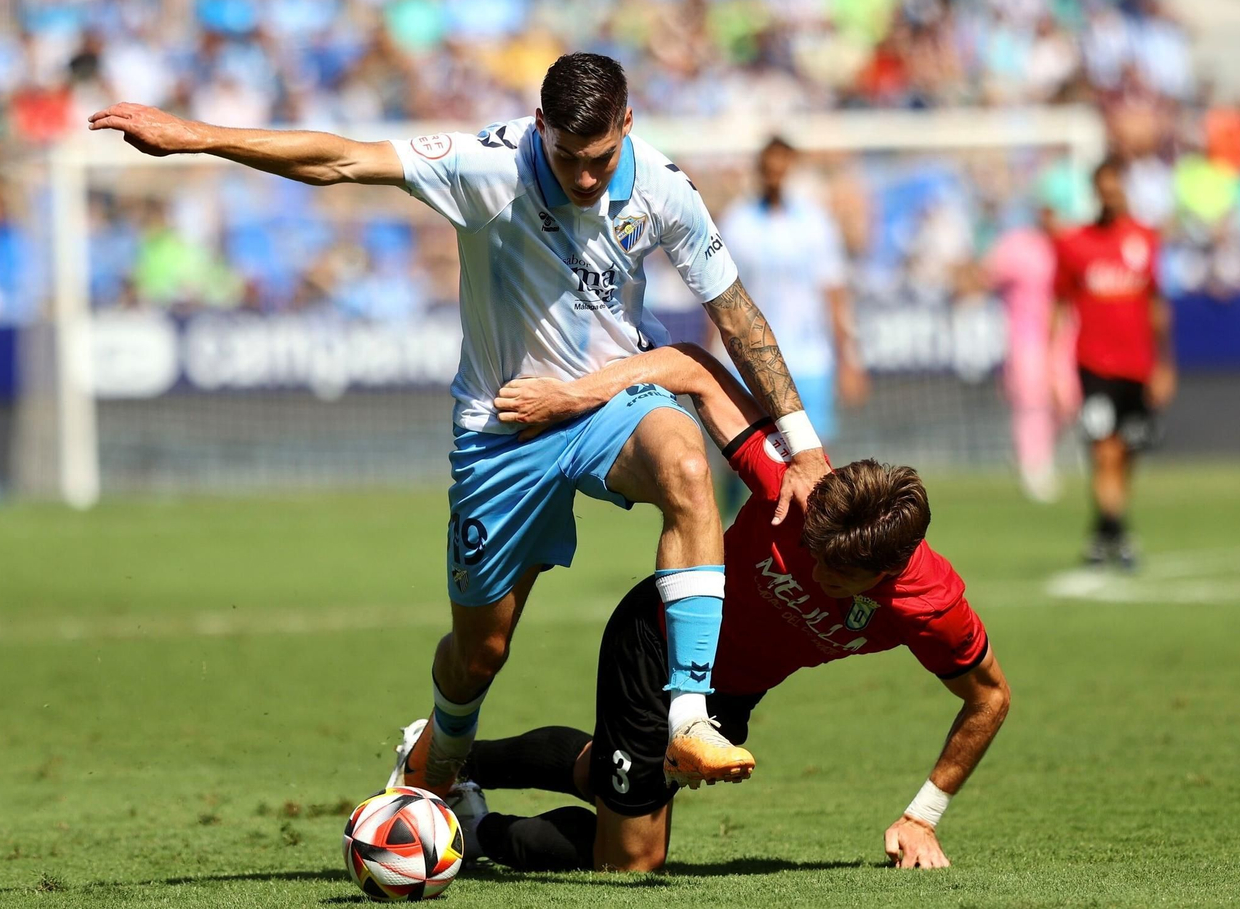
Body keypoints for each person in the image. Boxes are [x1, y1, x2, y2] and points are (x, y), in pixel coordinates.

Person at [87, 53, 831, 796]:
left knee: (686, 465)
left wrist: (803, 449)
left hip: (609, 402)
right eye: (567, 158)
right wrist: (196, 136)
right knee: (482, 654)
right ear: (540, 127)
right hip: (502, 428)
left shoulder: (665, 189)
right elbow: (341, 159)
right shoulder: (487, 166)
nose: (582, 178)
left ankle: (689, 719)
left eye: (599, 160)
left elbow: (736, 316)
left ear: (627, 126)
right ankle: (439, 750)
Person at [457, 344, 1010, 871]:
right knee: (631, 858)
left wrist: (923, 816)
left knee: (602, 772)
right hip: (656, 640)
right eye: (812, 554)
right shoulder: (795, 485)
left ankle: (448, 758)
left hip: (732, 697)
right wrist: (578, 395)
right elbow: (693, 367)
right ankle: (467, 828)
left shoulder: (930, 604)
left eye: (836, 577)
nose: (814, 574)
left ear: (886, 574)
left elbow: (989, 698)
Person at [1050, 157, 1176, 568]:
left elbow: (1156, 306)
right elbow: (1059, 305)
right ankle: (1120, 537)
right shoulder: (1074, 244)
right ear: (1094, 192)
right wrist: (1052, 365)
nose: (1109, 195)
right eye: (1102, 188)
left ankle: (1101, 534)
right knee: (1104, 452)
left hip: (1138, 367)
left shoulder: (1144, 239)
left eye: (1115, 187)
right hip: (1095, 366)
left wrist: (1163, 364)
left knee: (1127, 454)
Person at [719, 136, 867, 452]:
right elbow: (720, 294)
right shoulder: (737, 222)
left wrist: (847, 359)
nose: (775, 175)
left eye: (782, 168)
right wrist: (716, 352)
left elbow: (834, 293)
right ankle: (733, 504)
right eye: (769, 168)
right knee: (743, 453)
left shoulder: (815, 222)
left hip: (808, 357)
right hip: (750, 356)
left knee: (814, 453)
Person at [986, 206, 1078, 503]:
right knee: (1032, 401)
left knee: (1067, 400)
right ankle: (1034, 466)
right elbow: (987, 274)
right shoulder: (1019, 245)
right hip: (1027, 336)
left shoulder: (1069, 247)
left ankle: (1036, 453)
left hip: (1063, 335)